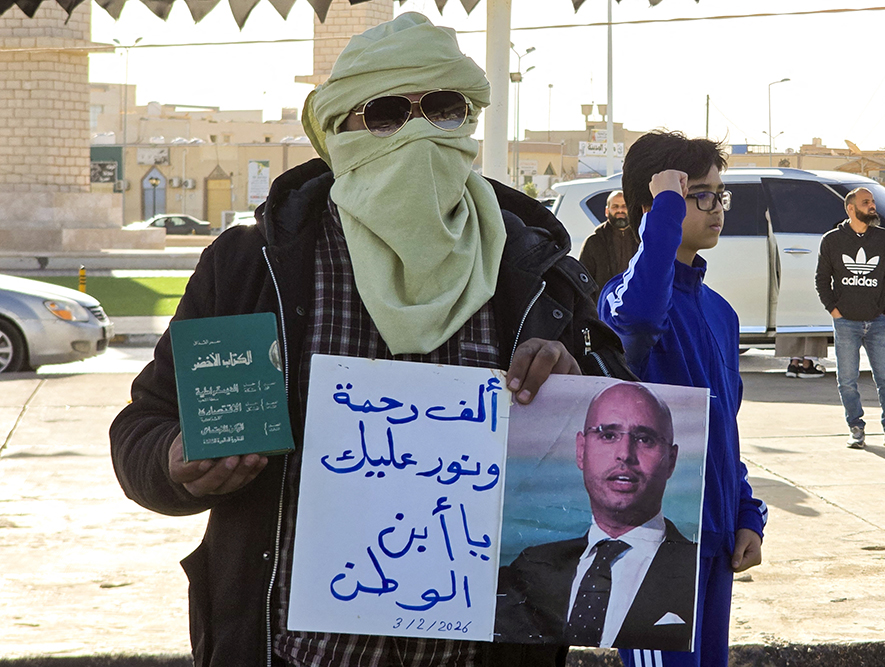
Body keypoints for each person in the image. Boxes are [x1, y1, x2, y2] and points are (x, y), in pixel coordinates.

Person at [108, 13, 634, 667]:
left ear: (466, 118)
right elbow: (144, 428)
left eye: (441, 108)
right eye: (386, 112)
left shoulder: (531, 267)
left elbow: (634, 437)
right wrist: (175, 462)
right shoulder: (254, 266)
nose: (417, 133)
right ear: (339, 129)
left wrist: (579, 389)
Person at [598, 130, 768, 667]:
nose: (717, 208)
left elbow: (724, 431)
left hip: (714, 537)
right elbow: (643, 312)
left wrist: (746, 513)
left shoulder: (721, 313)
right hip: (654, 549)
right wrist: (665, 209)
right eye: (699, 194)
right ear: (657, 203)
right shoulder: (626, 297)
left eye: (720, 194)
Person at [495, 382, 697, 652]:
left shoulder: (697, 570)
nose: (625, 454)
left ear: (671, 460)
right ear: (581, 450)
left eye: (645, 439)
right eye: (608, 435)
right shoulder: (528, 569)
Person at [815, 186, 885, 450]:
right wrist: (835, 310)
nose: (872, 206)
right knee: (847, 379)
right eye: (866, 202)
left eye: (873, 201)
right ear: (851, 208)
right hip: (846, 323)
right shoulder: (832, 240)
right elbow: (822, 280)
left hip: (879, 322)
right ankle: (856, 428)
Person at [578, 190, 640, 300]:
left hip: (637, 306)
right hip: (603, 309)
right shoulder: (594, 242)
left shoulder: (642, 239)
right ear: (607, 211)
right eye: (615, 206)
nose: (620, 210)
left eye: (624, 206)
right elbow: (583, 283)